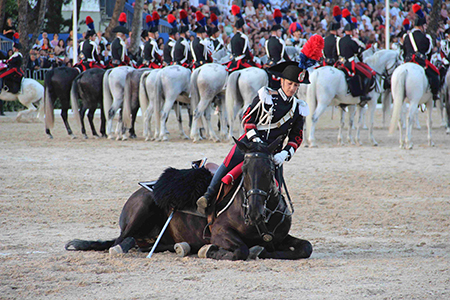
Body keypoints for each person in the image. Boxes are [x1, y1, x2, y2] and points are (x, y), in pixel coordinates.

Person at [196, 60, 314, 214]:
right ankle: (208, 195)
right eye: (290, 83)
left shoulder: (298, 107)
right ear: (282, 81)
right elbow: (248, 119)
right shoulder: (267, 96)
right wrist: (256, 140)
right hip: (251, 143)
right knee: (228, 163)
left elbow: (296, 137)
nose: (292, 88)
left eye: (296, 85)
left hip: (274, 152)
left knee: (277, 190)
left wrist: (284, 154)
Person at [402, 4, 440, 101]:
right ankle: (435, 94)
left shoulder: (407, 37)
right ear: (422, 26)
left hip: (407, 61)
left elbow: (404, 52)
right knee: (435, 75)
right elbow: (428, 52)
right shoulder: (425, 38)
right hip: (420, 61)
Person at [337, 22, 373, 104]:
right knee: (368, 74)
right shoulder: (352, 41)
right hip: (350, 64)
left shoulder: (340, 40)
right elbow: (358, 52)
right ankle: (364, 95)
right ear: (351, 31)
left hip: (342, 63)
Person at [227, 5, 256, 71]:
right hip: (241, 62)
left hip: (234, 62)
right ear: (241, 27)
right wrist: (251, 58)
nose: (245, 28)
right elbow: (246, 51)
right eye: (244, 26)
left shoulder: (232, 37)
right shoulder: (243, 37)